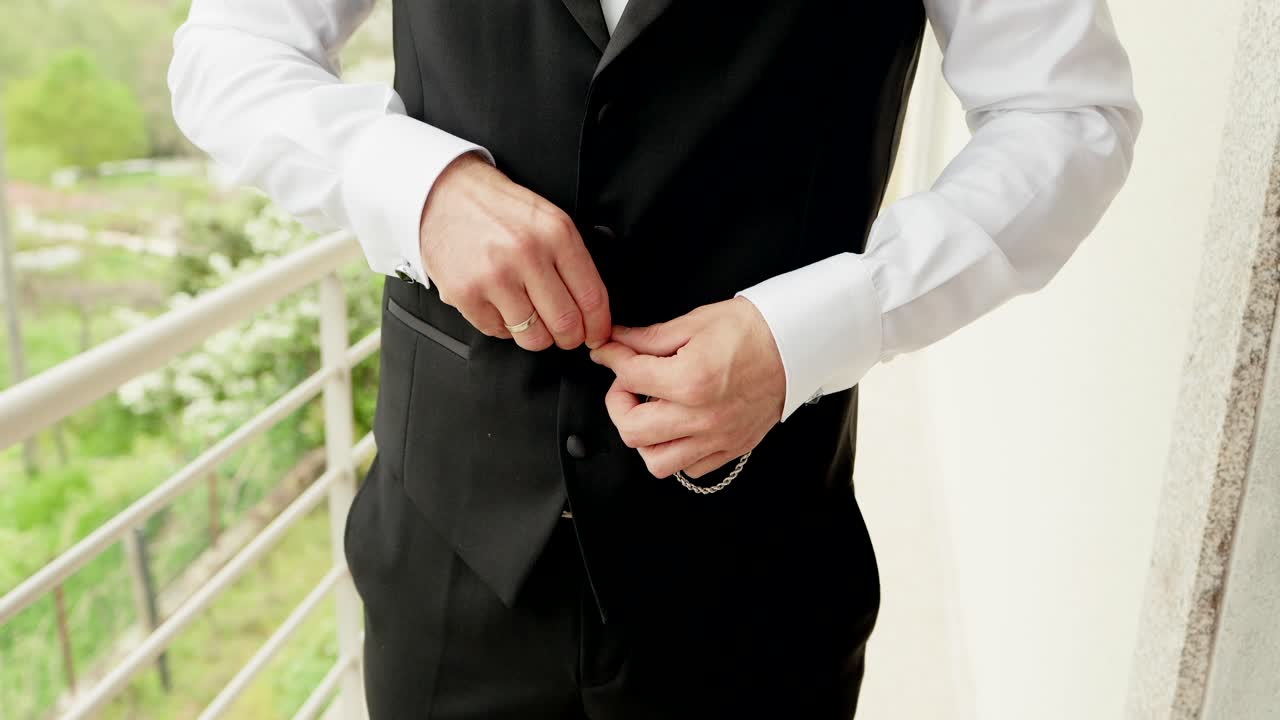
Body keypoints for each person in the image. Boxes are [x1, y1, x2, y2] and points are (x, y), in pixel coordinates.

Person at [168, 1, 1140, 717]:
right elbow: (227, 49)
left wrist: (822, 321)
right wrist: (416, 189)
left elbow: (1064, 114)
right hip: (449, 562)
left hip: (759, 583)